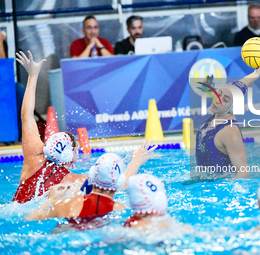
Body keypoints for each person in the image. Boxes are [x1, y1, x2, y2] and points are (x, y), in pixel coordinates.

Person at [12, 51, 87, 204]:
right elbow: (113, 186)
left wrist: (33, 75)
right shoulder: (74, 180)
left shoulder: (33, 157)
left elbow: (26, 115)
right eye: (76, 150)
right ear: (68, 154)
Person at [25, 142, 157, 221]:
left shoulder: (65, 204)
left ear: (92, 175)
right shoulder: (120, 210)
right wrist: (136, 162)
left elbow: (28, 218)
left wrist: (51, 200)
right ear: (119, 181)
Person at [195, 60, 260, 178]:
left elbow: (243, 171)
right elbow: (236, 87)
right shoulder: (218, 115)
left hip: (217, 189)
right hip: (203, 182)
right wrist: (256, 74)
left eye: (225, 100)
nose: (217, 99)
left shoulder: (229, 132)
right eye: (219, 93)